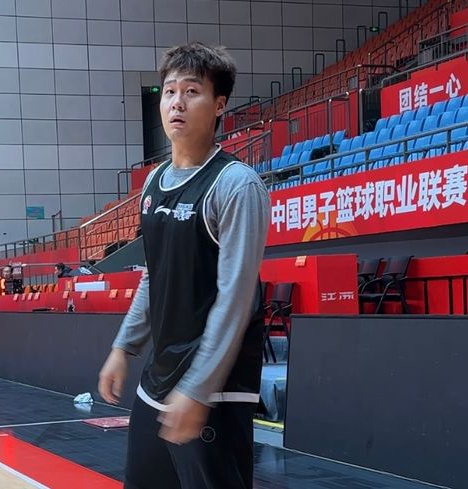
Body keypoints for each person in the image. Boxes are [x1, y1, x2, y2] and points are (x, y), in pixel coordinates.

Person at [98, 42, 270, 489]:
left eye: (192, 91)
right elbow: (154, 275)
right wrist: (123, 347)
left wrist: (198, 388)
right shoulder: (154, 182)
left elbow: (237, 299)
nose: (177, 102)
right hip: (158, 381)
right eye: (170, 91)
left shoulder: (236, 185)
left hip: (215, 390)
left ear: (219, 105)